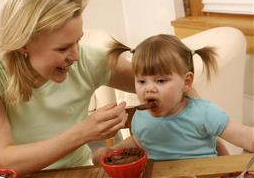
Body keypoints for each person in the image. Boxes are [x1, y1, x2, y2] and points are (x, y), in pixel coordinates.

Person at [0, 0, 135, 175]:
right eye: (63, 48)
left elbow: (164, 80)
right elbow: (4, 161)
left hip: (80, 171)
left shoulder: (87, 59)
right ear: (23, 44)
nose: (76, 56)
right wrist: (83, 132)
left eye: (78, 40)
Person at [92, 34, 254, 165]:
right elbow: (137, 143)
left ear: (186, 82)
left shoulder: (204, 113)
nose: (149, 88)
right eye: (142, 81)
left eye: (161, 81)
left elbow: (245, 137)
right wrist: (109, 152)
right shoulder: (142, 116)